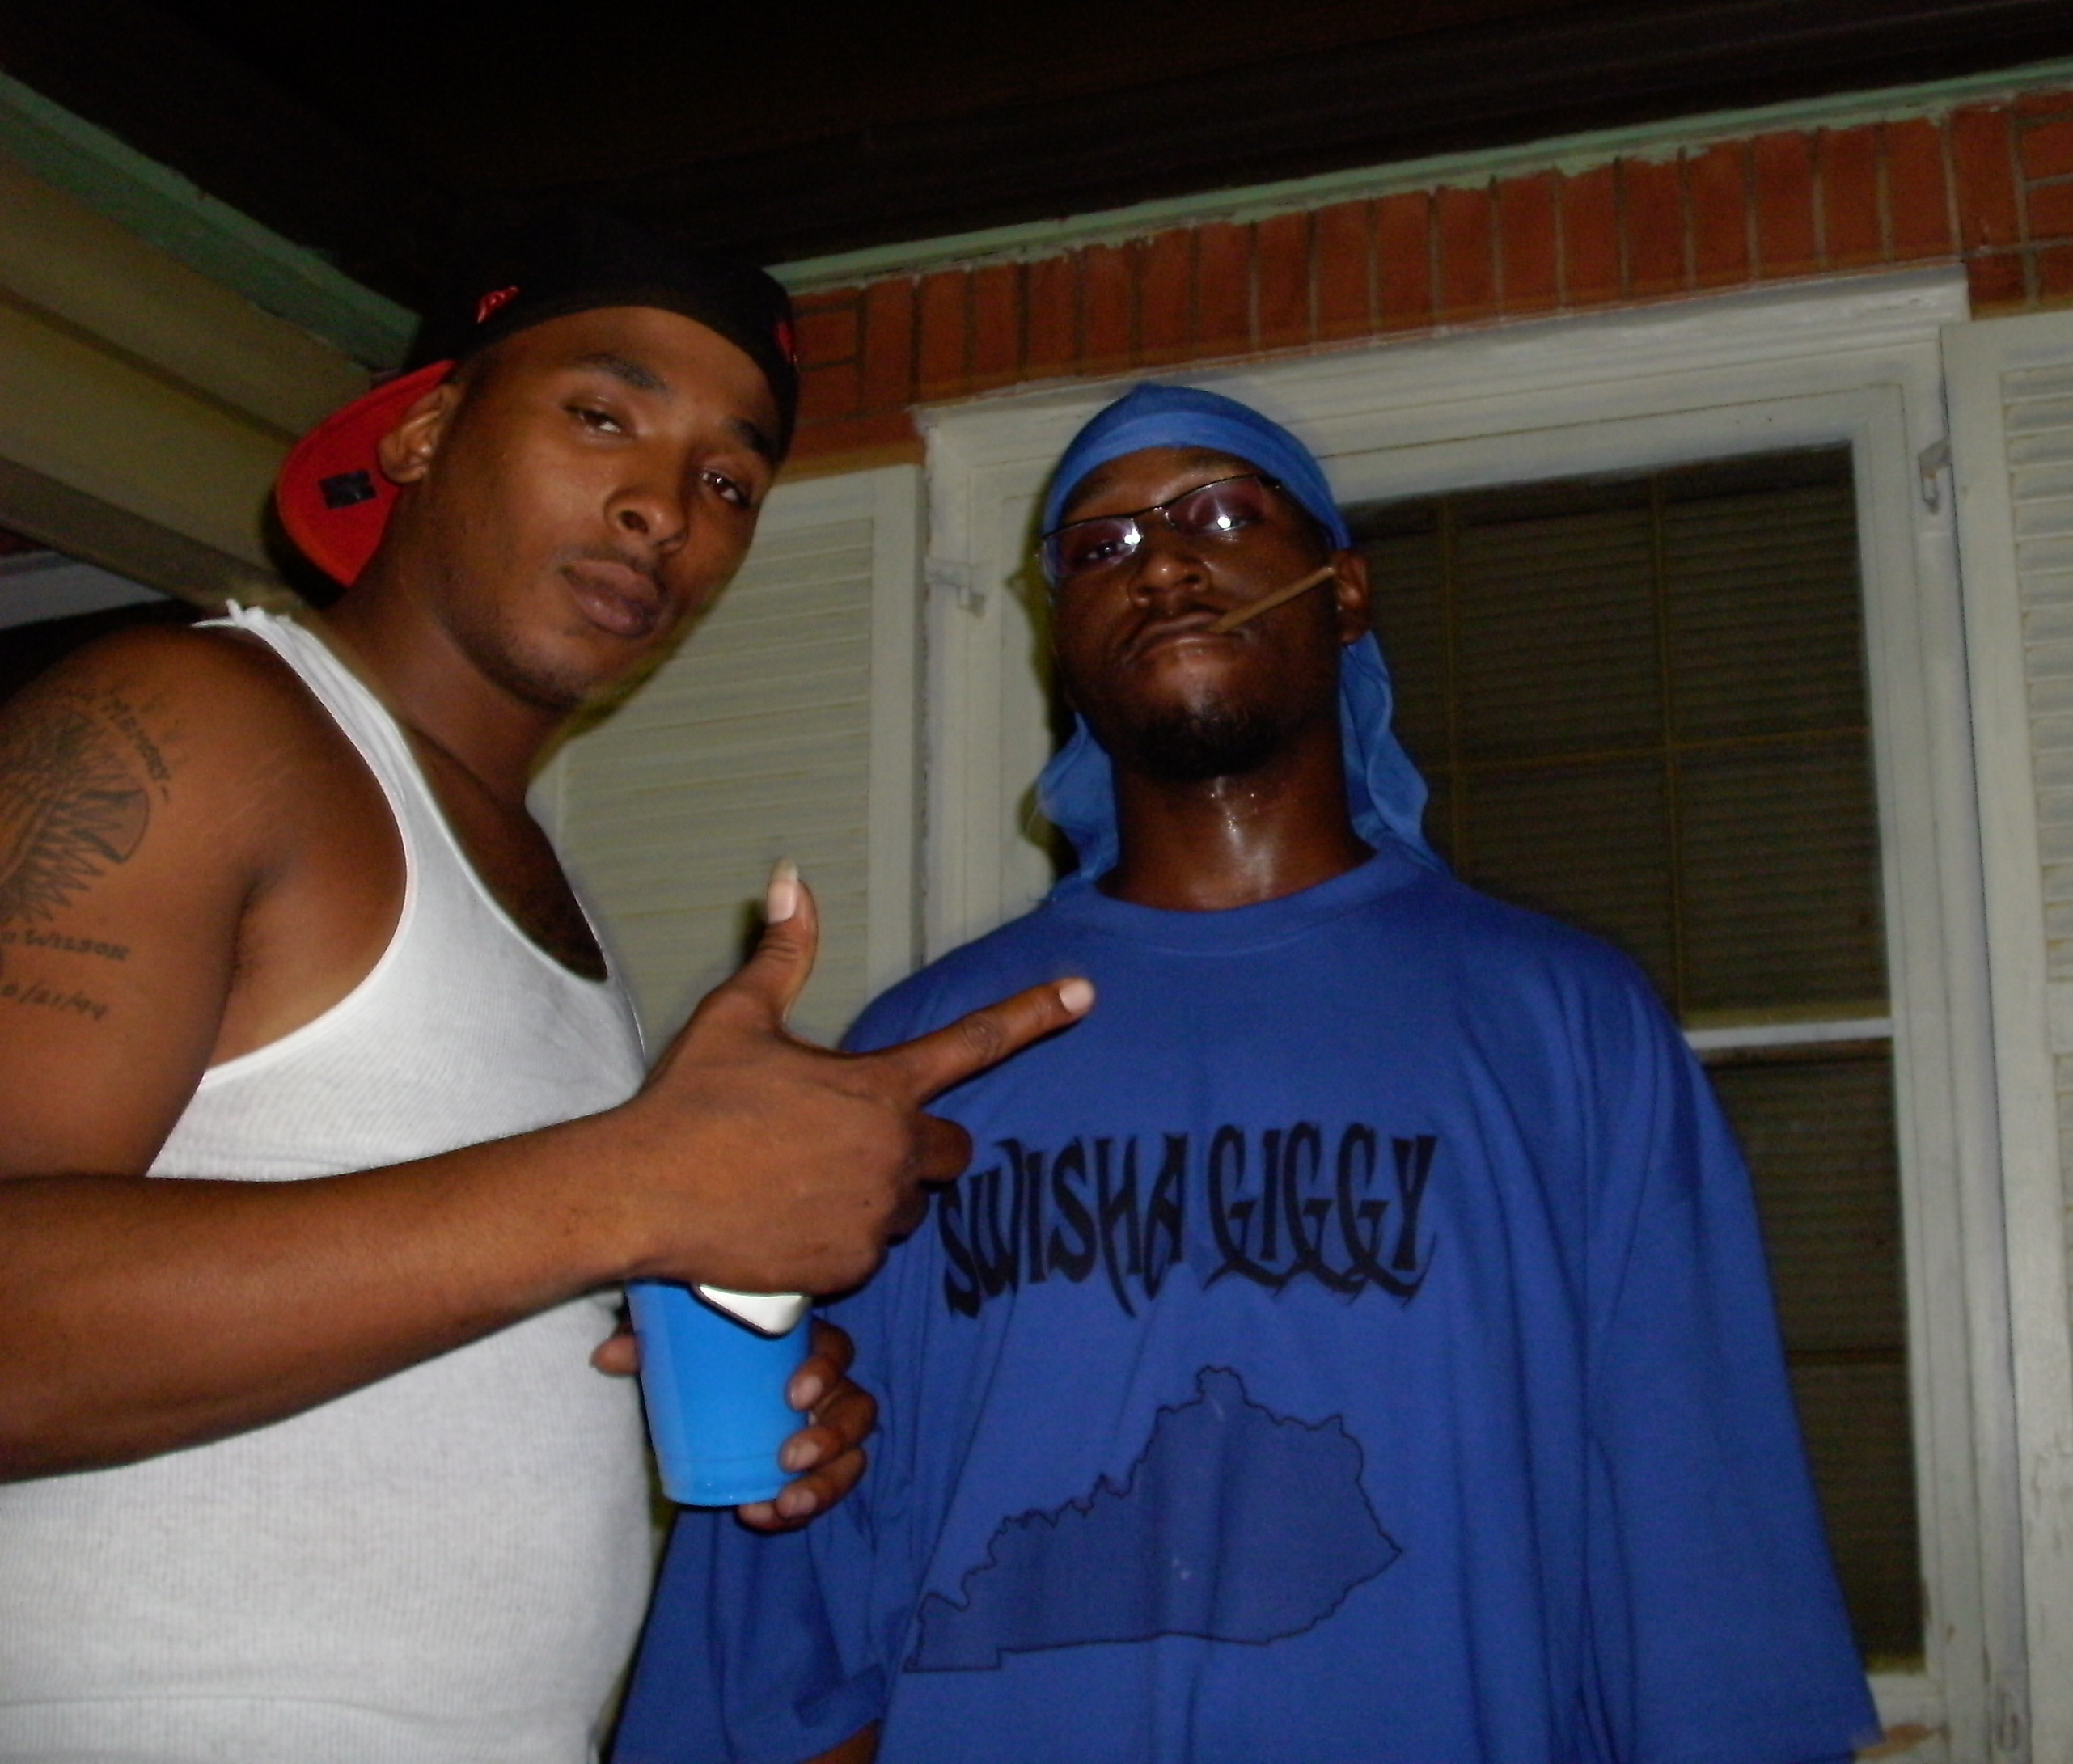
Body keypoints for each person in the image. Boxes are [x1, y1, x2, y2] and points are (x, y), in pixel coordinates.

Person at [616, 383, 1881, 1763]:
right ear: (1064, 646)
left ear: (1343, 593)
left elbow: (1700, 1543)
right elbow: (777, 1594)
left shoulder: (1566, 1027)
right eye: (1098, 548)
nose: (1160, 563)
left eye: (1219, 515)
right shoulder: (924, 1054)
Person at [0, 213, 1089, 1764]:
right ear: (426, 432)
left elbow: (434, 1296)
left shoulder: (552, 903)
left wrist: (713, 1353)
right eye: (601, 416)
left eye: (730, 481)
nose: (664, 508)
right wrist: (627, 1191)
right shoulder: (189, 719)